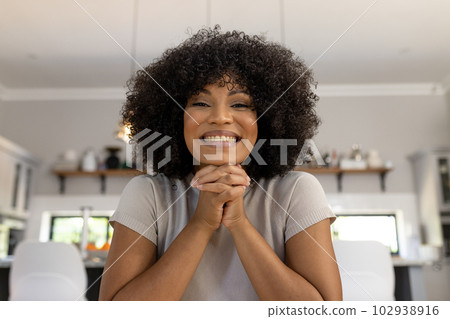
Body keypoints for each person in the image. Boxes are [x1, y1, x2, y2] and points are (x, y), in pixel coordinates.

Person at [98, 26, 342, 301]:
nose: (221, 117)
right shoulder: (146, 193)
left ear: (267, 119)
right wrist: (201, 222)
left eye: (240, 104)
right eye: (201, 103)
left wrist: (239, 223)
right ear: (176, 118)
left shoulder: (297, 190)